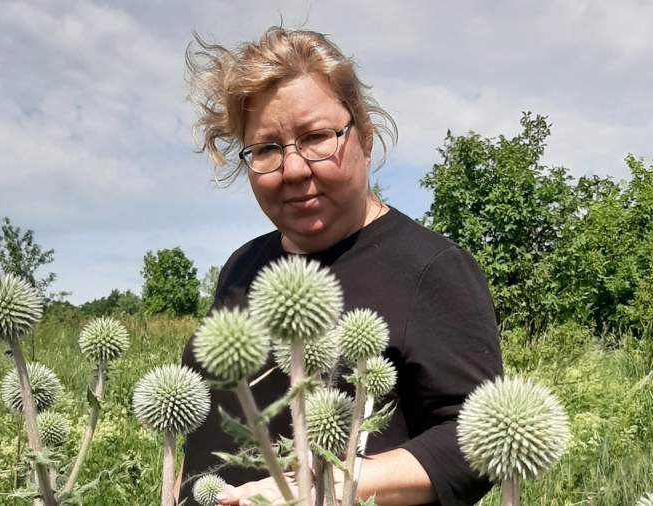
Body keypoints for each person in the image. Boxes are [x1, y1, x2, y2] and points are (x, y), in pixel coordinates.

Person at [180, 27, 503, 506]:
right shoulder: (242, 265)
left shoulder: (432, 269)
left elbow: (475, 440)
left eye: (315, 138)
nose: (292, 169)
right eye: (267, 148)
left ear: (364, 137)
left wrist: (318, 487)